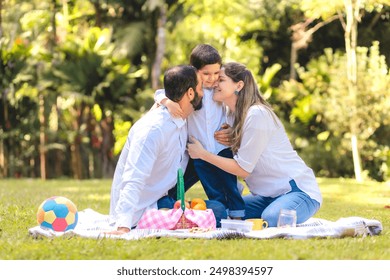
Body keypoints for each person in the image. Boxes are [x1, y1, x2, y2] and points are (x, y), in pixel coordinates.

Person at [187, 62, 322, 227]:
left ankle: (279, 210)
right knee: (229, 214)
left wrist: (203, 155)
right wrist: (165, 101)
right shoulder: (231, 116)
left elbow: (243, 169)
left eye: (221, 79)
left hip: (297, 191)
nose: (215, 83)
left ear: (239, 85)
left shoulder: (257, 114)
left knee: (271, 218)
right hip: (267, 196)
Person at [108, 65, 226, 234]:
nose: (204, 93)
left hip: (163, 199)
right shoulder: (153, 130)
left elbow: (163, 92)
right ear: (190, 93)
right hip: (143, 211)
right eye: (201, 88)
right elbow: (133, 179)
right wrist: (123, 226)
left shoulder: (182, 116)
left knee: (217, 208)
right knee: (219, 213)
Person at [154, 44, 245, 219]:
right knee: (212, 187)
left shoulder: (220, 89)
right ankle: (220, 214)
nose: (212, 79)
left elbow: (235, 109)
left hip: (221, 148)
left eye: (216, 73)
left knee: (230, 186)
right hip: (198, 151)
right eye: (206, 74)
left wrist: (232, 129)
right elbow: (159, 93)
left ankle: (238, 216)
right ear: (195, 72)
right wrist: (168, 102)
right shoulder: (193, 91)